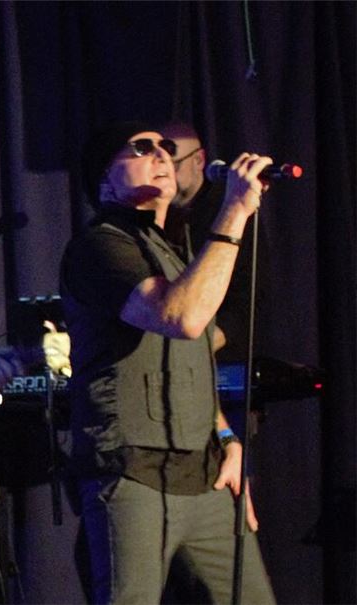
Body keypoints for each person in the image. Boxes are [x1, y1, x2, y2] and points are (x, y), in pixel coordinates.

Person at [60, 121, 277, 604]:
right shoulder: (100, 246)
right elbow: (183, 317)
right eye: (140, 148)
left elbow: (188, 362)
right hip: (132, 473)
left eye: (164, 147)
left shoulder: (175, 254)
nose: (160, 154)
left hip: (204, 476)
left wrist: (225, 436)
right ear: (104, 180)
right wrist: (236, 209)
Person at [163, 121, 254, 362]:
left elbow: (247, 298)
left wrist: (195, 349)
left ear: (199, 161)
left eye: (173, 163)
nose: (165, 173)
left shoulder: (226, 209)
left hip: (217, 358)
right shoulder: (156, 216)